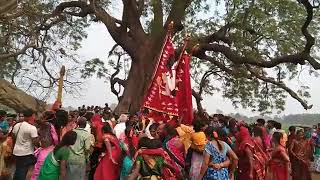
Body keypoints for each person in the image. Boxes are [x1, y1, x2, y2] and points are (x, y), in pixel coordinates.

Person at [12, 109, 38, 180]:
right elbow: (35, 142)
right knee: (23, 171)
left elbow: (13, 137)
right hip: (26, 153)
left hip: (16, 152)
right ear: (32, 116)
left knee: (18, 170)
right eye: (34, 115)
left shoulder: (17, 125)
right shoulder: (32, 128)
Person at [30, 115, 58, 180]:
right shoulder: (50, 127)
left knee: (38, 168)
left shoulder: (38, 129)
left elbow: (35, 141)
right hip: (50, 150)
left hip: (42, 151)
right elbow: (55, 139)